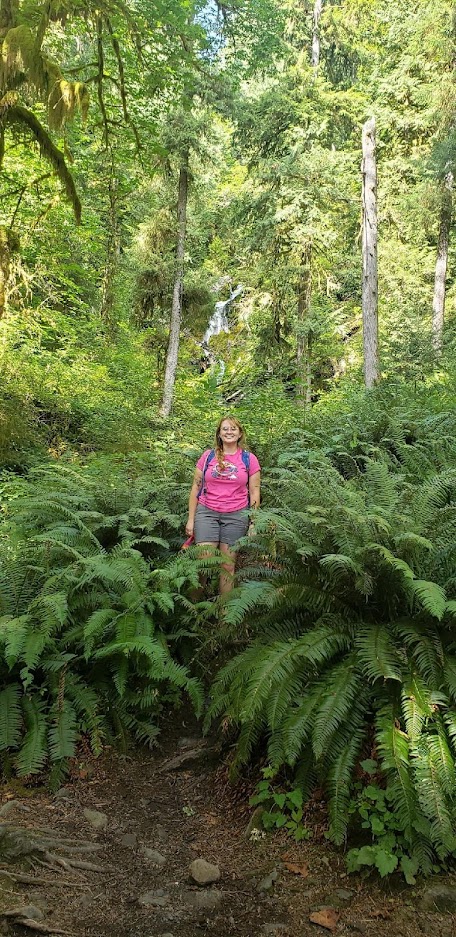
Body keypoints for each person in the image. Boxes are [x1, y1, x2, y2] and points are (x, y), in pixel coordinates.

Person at [186, 416, 261, 595]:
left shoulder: (249, 459)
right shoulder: (208, 456)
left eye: (233, 429)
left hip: (236, 515)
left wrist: (253, 522)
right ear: (219, 433)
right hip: (207, 512)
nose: (229, 432)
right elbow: (196, 487)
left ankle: (224, 616)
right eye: (225, 429)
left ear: (240, 433)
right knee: (203, 561)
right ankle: (193, 610)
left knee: (227, 565)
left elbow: (255, 492)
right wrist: (190, 520)